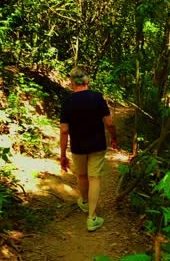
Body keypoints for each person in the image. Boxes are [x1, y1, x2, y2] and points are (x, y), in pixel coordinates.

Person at [60, 67, 118, 232]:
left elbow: (64, 131)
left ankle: (84, 202)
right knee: (94, 178)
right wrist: (114, 137)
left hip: (78, 147)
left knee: (82, 175)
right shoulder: (97, 97)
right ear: (87, 81)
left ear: (72, 84)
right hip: (97, 145)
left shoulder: (67, 102)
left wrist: (62, 155)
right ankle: (92, 217)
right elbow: (109, 123)